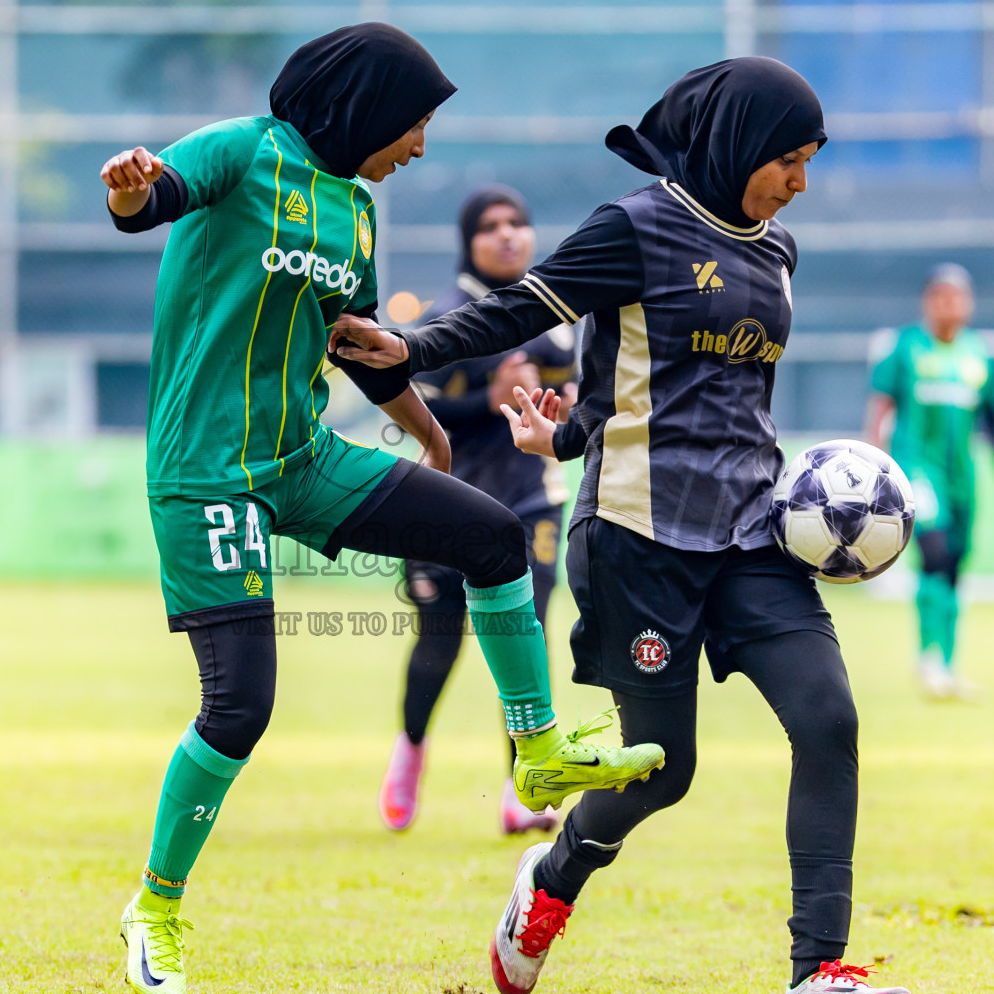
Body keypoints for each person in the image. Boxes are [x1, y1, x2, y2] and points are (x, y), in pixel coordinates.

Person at [99, 23, 663, 994]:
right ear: (363, 107)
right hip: (206, 470)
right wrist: (128, 188)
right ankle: (154, 906)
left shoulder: (355, 212)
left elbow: (356, 341)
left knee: (488, 534)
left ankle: (534, 755)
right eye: (414, 123)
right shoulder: (245, 148)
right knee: (239, 707)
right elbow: (154, 199)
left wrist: (425, 432)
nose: (421, 145)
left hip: (303, 454)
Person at [332, 57, 914, 994]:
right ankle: (551, 881)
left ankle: (820, 970)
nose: (799, 182)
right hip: (639, 536)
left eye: (808, 162)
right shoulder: (637, 226)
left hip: (754, 533)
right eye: (789, 160)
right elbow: (523, 309)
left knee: (829, 717)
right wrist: (415, 346)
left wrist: (565, 432)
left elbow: (702, 392)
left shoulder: (777, 250)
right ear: (739, 145)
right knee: (662, 767)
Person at [379, 185, 578, 836]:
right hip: (448, 504)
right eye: (491, 225)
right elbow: (414, 411)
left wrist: (573, 406)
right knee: (440, 640)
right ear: (470, 241)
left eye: (518, 222)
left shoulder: (556, 320)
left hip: (531, 502)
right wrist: (489, 399)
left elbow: (581, 396)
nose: (507, 234)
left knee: (525, 632)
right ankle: (409, 754)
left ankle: (524, 785)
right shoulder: (446, 319)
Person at [866, 264, 994, 700]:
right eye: (942, 297)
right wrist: (876, 461)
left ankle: (947, 665)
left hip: (961, 478)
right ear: (929, 302)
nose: (950, 305)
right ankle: (928, 658)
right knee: (934, 553)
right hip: (917, 470)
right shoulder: (907, 347)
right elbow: (882, 404)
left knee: (953, 567)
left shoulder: (977, 353)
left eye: (958, 297)